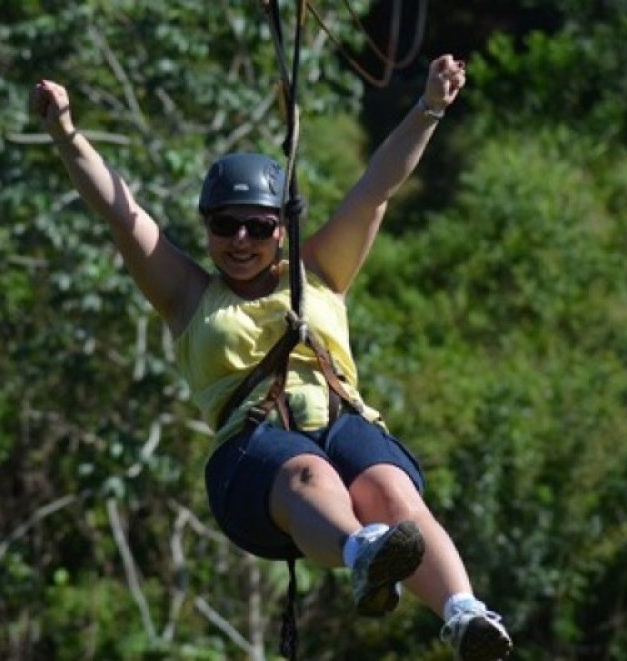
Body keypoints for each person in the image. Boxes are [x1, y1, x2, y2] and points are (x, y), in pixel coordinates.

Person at [30, 53, 513, 660]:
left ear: (280, 229)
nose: (240, 241)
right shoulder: (189, 297)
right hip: (254, 452)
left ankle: (463, 614)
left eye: (257, 227)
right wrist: (67, 133)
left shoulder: (318, 274)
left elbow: (375, 190)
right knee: (307, 475)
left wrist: (430, 108)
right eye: (225, 226)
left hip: (342, 420)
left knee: (393, 491)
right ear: (207, 228)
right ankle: (361, 550)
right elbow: (121, 215)